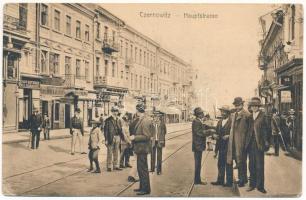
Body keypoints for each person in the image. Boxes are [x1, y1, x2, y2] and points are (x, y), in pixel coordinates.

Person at [246, 97, 269, 194]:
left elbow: (267, 130)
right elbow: (247, 131)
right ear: (250, 107)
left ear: (258, 107)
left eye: (256, 106)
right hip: (251, 144)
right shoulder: (249, 117)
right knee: (251, 165)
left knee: (259, 166)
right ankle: (252, 184)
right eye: (252, 106)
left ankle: (260, 186)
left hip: (259, 144)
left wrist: (267, 142)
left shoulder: (263, 116)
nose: (254, 107)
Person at [227, 97, 251, 187]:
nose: (237, 107)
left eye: (239, 105)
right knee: (238, 161)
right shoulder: (234, 115)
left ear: (242, 105)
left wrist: (246, 143)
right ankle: (243, 178)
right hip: (234, 141)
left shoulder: (247, 115)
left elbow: (249, 131)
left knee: (241, 161)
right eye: (236, 105)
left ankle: (242, 180)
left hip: (242, 142)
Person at [129, 103, 152, 195]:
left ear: (138, 111)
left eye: (137, 111)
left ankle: (145, 189)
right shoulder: (141, 120)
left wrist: (135, 137)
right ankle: (142, 187)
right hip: (140, 148)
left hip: (142, 148)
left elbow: (147, 136)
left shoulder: (145, 121)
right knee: (140, 168)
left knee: (143, 169)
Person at [211, 105, 233, 187]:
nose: (223, 113)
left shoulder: (231, 121)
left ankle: (229, 182)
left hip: (228, 146)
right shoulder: (219, 122)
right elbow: (216, 133)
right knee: (220, 164)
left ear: (228, 113)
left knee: (228, 164)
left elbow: (235, 133)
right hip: (220, 145)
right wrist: (214, 135)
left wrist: (229, 136)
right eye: (222, 111)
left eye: (224, 112)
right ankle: (220, 180)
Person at [192, 107, 215, 185]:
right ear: (198, 114)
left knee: (198, 164)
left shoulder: (199, 121)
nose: (203, 114)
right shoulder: (196, 122)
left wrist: (214, 128)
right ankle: (197, 180)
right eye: (201, 113)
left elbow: (205, 127)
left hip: (198, 145)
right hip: (197, 146)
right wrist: (210, 131)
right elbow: (199, 132)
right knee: (198, 164)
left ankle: (197, 180)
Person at [104, 106, 124, 171]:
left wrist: (122, 137)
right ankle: (109, 166)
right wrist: (106, 139)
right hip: (111, 137)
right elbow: (106, 131)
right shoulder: (108, 120)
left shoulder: (119, 120)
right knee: (109, 152)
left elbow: (121, 129)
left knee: (116, 152)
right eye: (114, 111)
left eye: (116, 111)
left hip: (118, 137)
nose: (115, 113)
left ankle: (116, 165)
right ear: (111, 112)